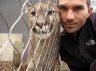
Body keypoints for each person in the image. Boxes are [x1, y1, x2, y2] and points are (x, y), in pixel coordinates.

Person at [58, 0, 96, 71]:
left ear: (89, 12)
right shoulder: (60, 42)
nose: (69, 17)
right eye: (63, 8)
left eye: (78, 8)